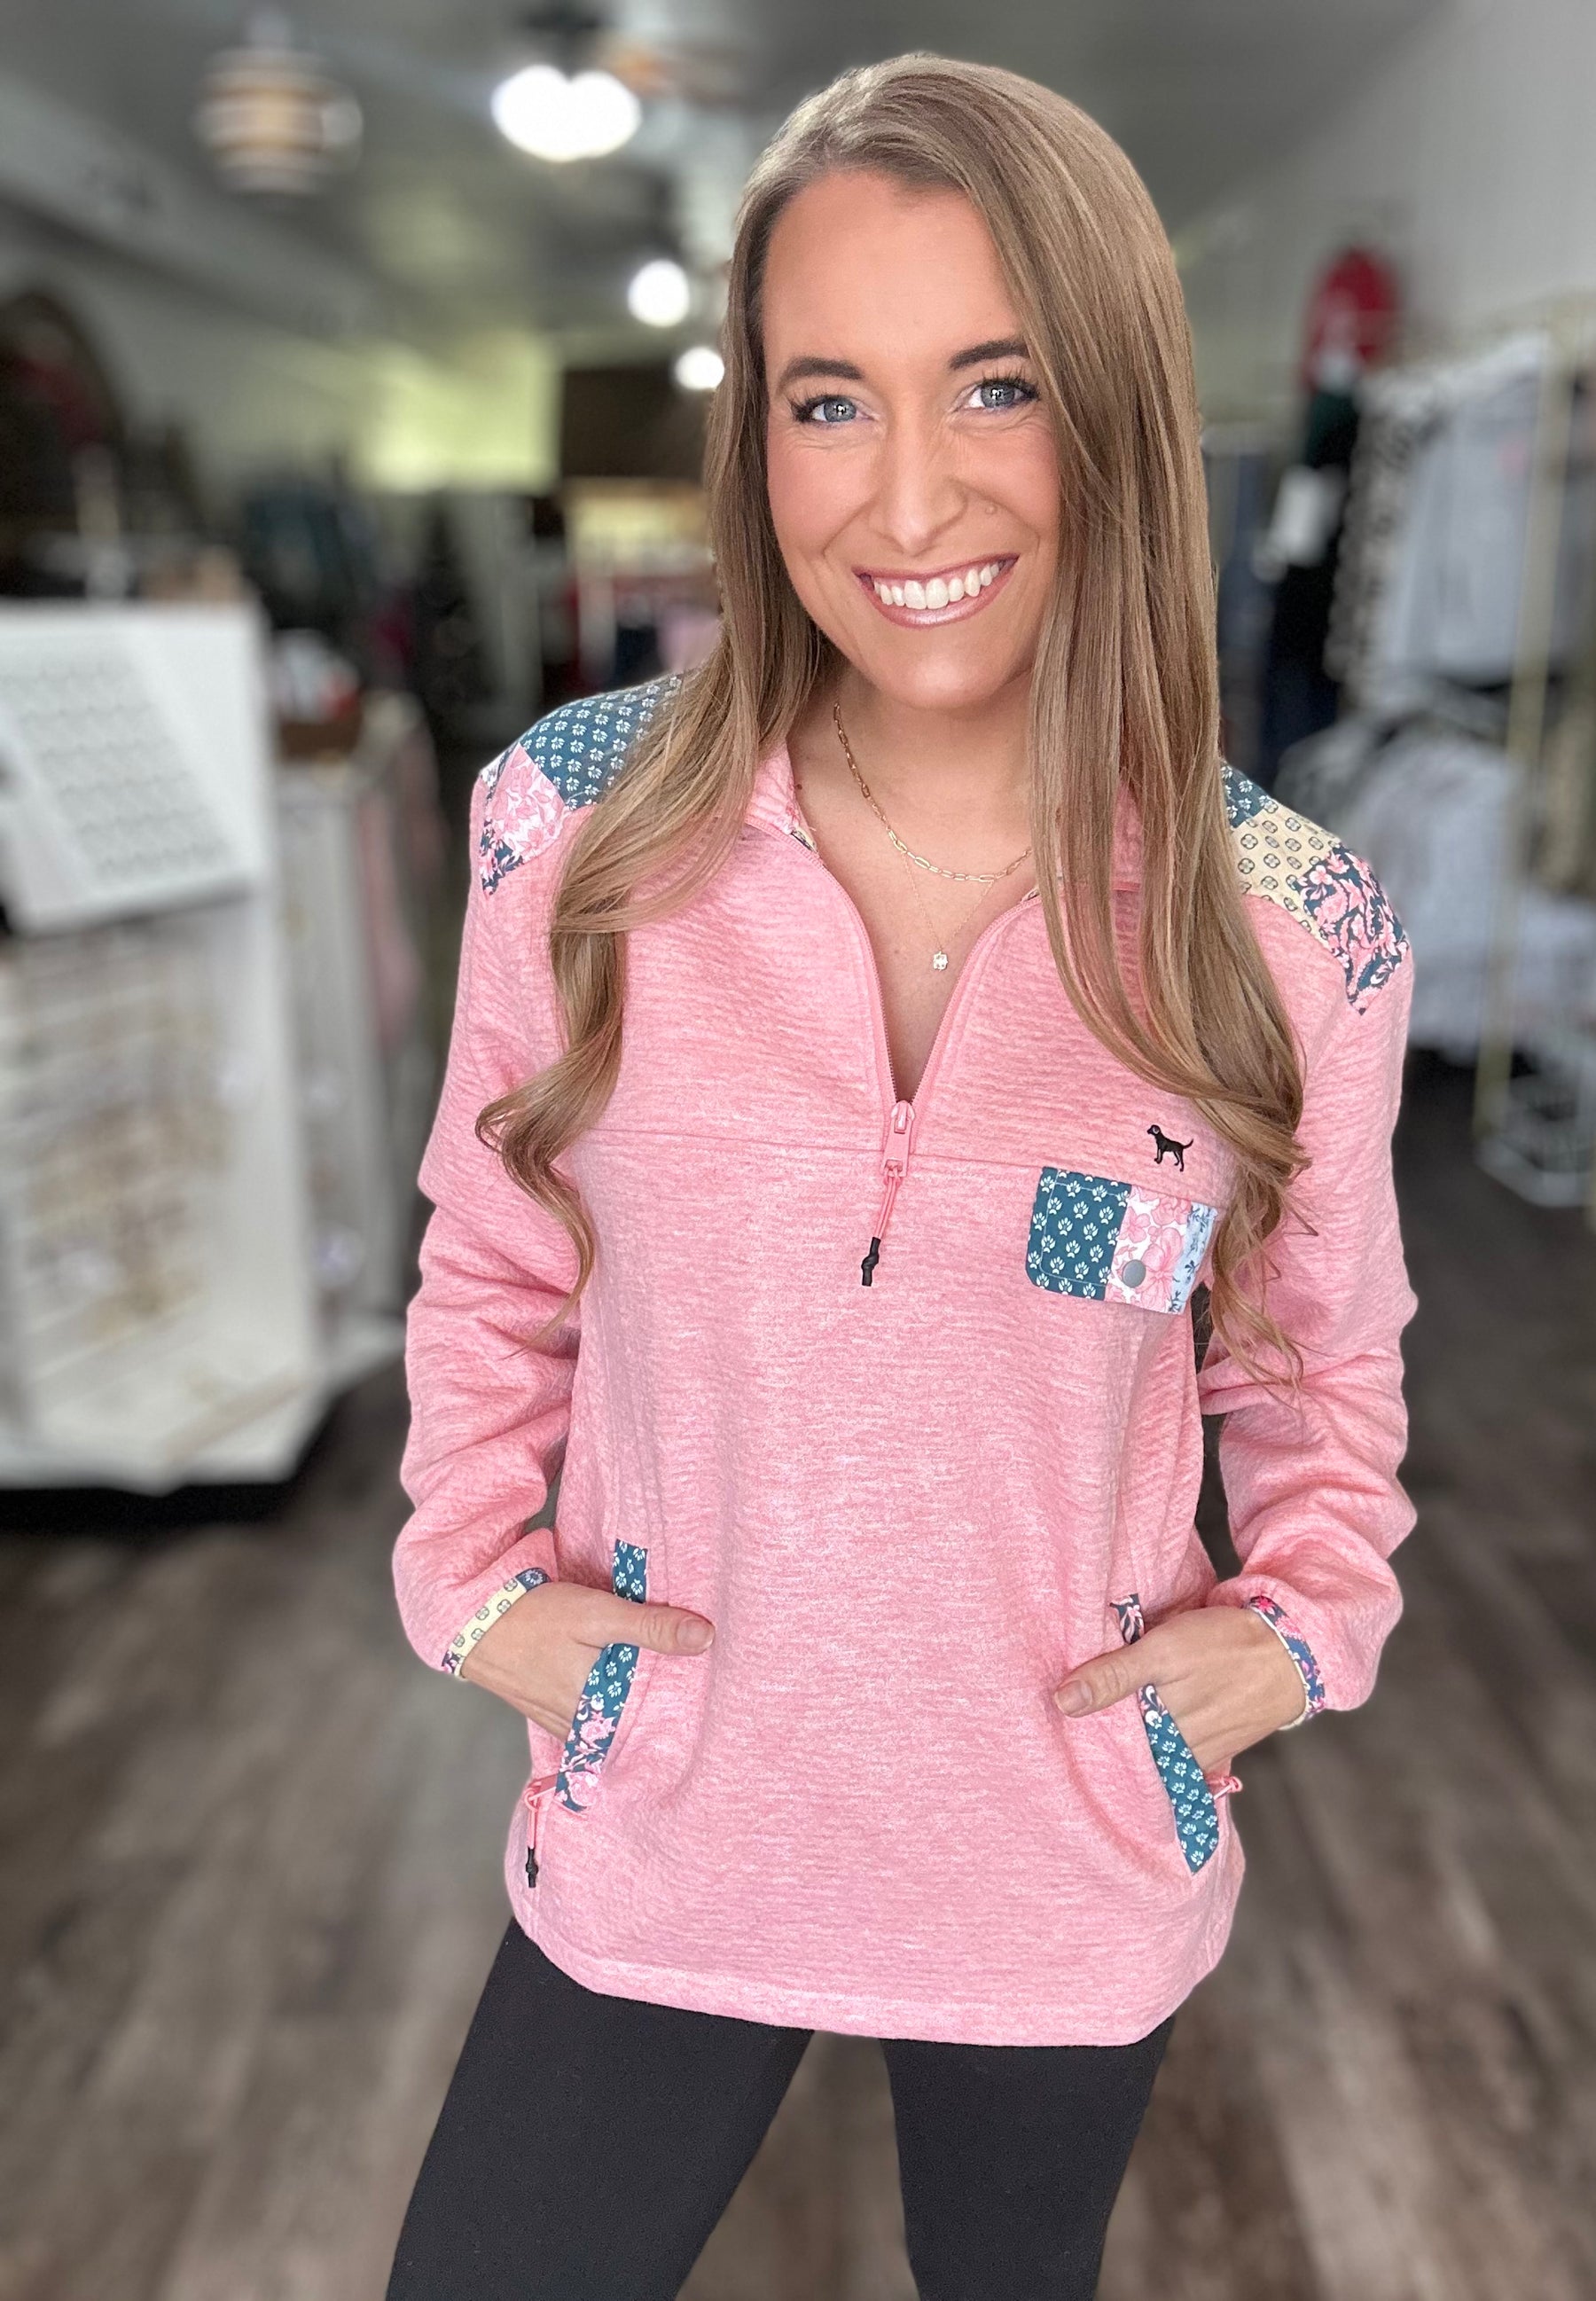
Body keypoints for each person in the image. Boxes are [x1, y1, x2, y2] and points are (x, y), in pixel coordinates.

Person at [387, 52, 1415, 2301]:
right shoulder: (573, 826)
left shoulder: (1286, 923)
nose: (910, 490)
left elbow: (1314, 1370)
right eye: (828, 400)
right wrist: (465, 1581)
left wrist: (1294, 1638)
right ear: (755, 442)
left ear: (1115, 411)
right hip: (669, 1818)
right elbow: (494, 1259)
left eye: (996, 385)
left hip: (1059, 1856)